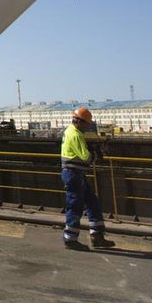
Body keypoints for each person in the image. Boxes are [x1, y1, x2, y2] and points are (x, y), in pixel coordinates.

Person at [61, 107, 115, 250]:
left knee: (92, 202)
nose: (87, 126)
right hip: (73, 174)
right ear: (79, 121)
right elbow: (86, 157)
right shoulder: (76, 135)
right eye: (86, 124)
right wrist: (97, 153)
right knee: (75, 206)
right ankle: (70, 239)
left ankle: (97, 236)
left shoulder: (70, 131)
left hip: (76, 174)